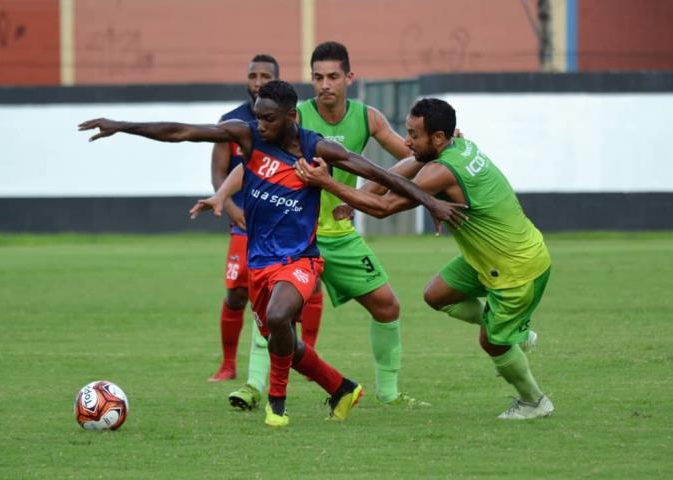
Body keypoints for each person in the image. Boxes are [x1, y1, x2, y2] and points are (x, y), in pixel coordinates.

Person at [78, 81, 466, 427]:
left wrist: (429, 202)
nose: (260, 125)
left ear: (290, 116)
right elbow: (182, 132)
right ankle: (341, 388)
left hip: (300, 259)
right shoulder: (248, 137)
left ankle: (276, 406)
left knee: (281, 317)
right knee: (284, 342)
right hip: (259, 262)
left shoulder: (318, 148)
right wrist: (121, 126)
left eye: (268, 119)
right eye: (258, 117)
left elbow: (382, 175)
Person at [296, 97, 554, 420]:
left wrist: (329, 183)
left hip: (517, 267)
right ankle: (513, 329)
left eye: (413, 135)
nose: (406, 141)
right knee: (436, 294)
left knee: (492, 343)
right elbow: (406, 168)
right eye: (407, 132)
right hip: (490, 259)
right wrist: (361, 197)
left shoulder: (443, 171)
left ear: (438, 138)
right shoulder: (457, 145)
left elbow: (386, 208)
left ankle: (534, 401)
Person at [229, 41, 430, 410]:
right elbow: (252, 164)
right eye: (318, 77)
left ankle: (389, 394)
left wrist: (446, 147)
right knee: (276, 312)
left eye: (333, 76)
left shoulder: (368, 118)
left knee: (387, 306)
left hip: (340, 237)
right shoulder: (294, 117)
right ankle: (253, 387)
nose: (325, 84)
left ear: (349, 78)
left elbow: (413, 156)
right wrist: (223, 197)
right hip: (296, 237)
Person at [207, 54, 279, 382]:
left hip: (281, 223)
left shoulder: (289, 122)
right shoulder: (231, 122)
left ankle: (304, 355)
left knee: (295, 292)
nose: (258, 81)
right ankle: (228, 365)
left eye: (265, 75)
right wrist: (234, 211)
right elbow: (219, 173)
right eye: (253, 75)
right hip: (244, 224)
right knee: (237, 293)